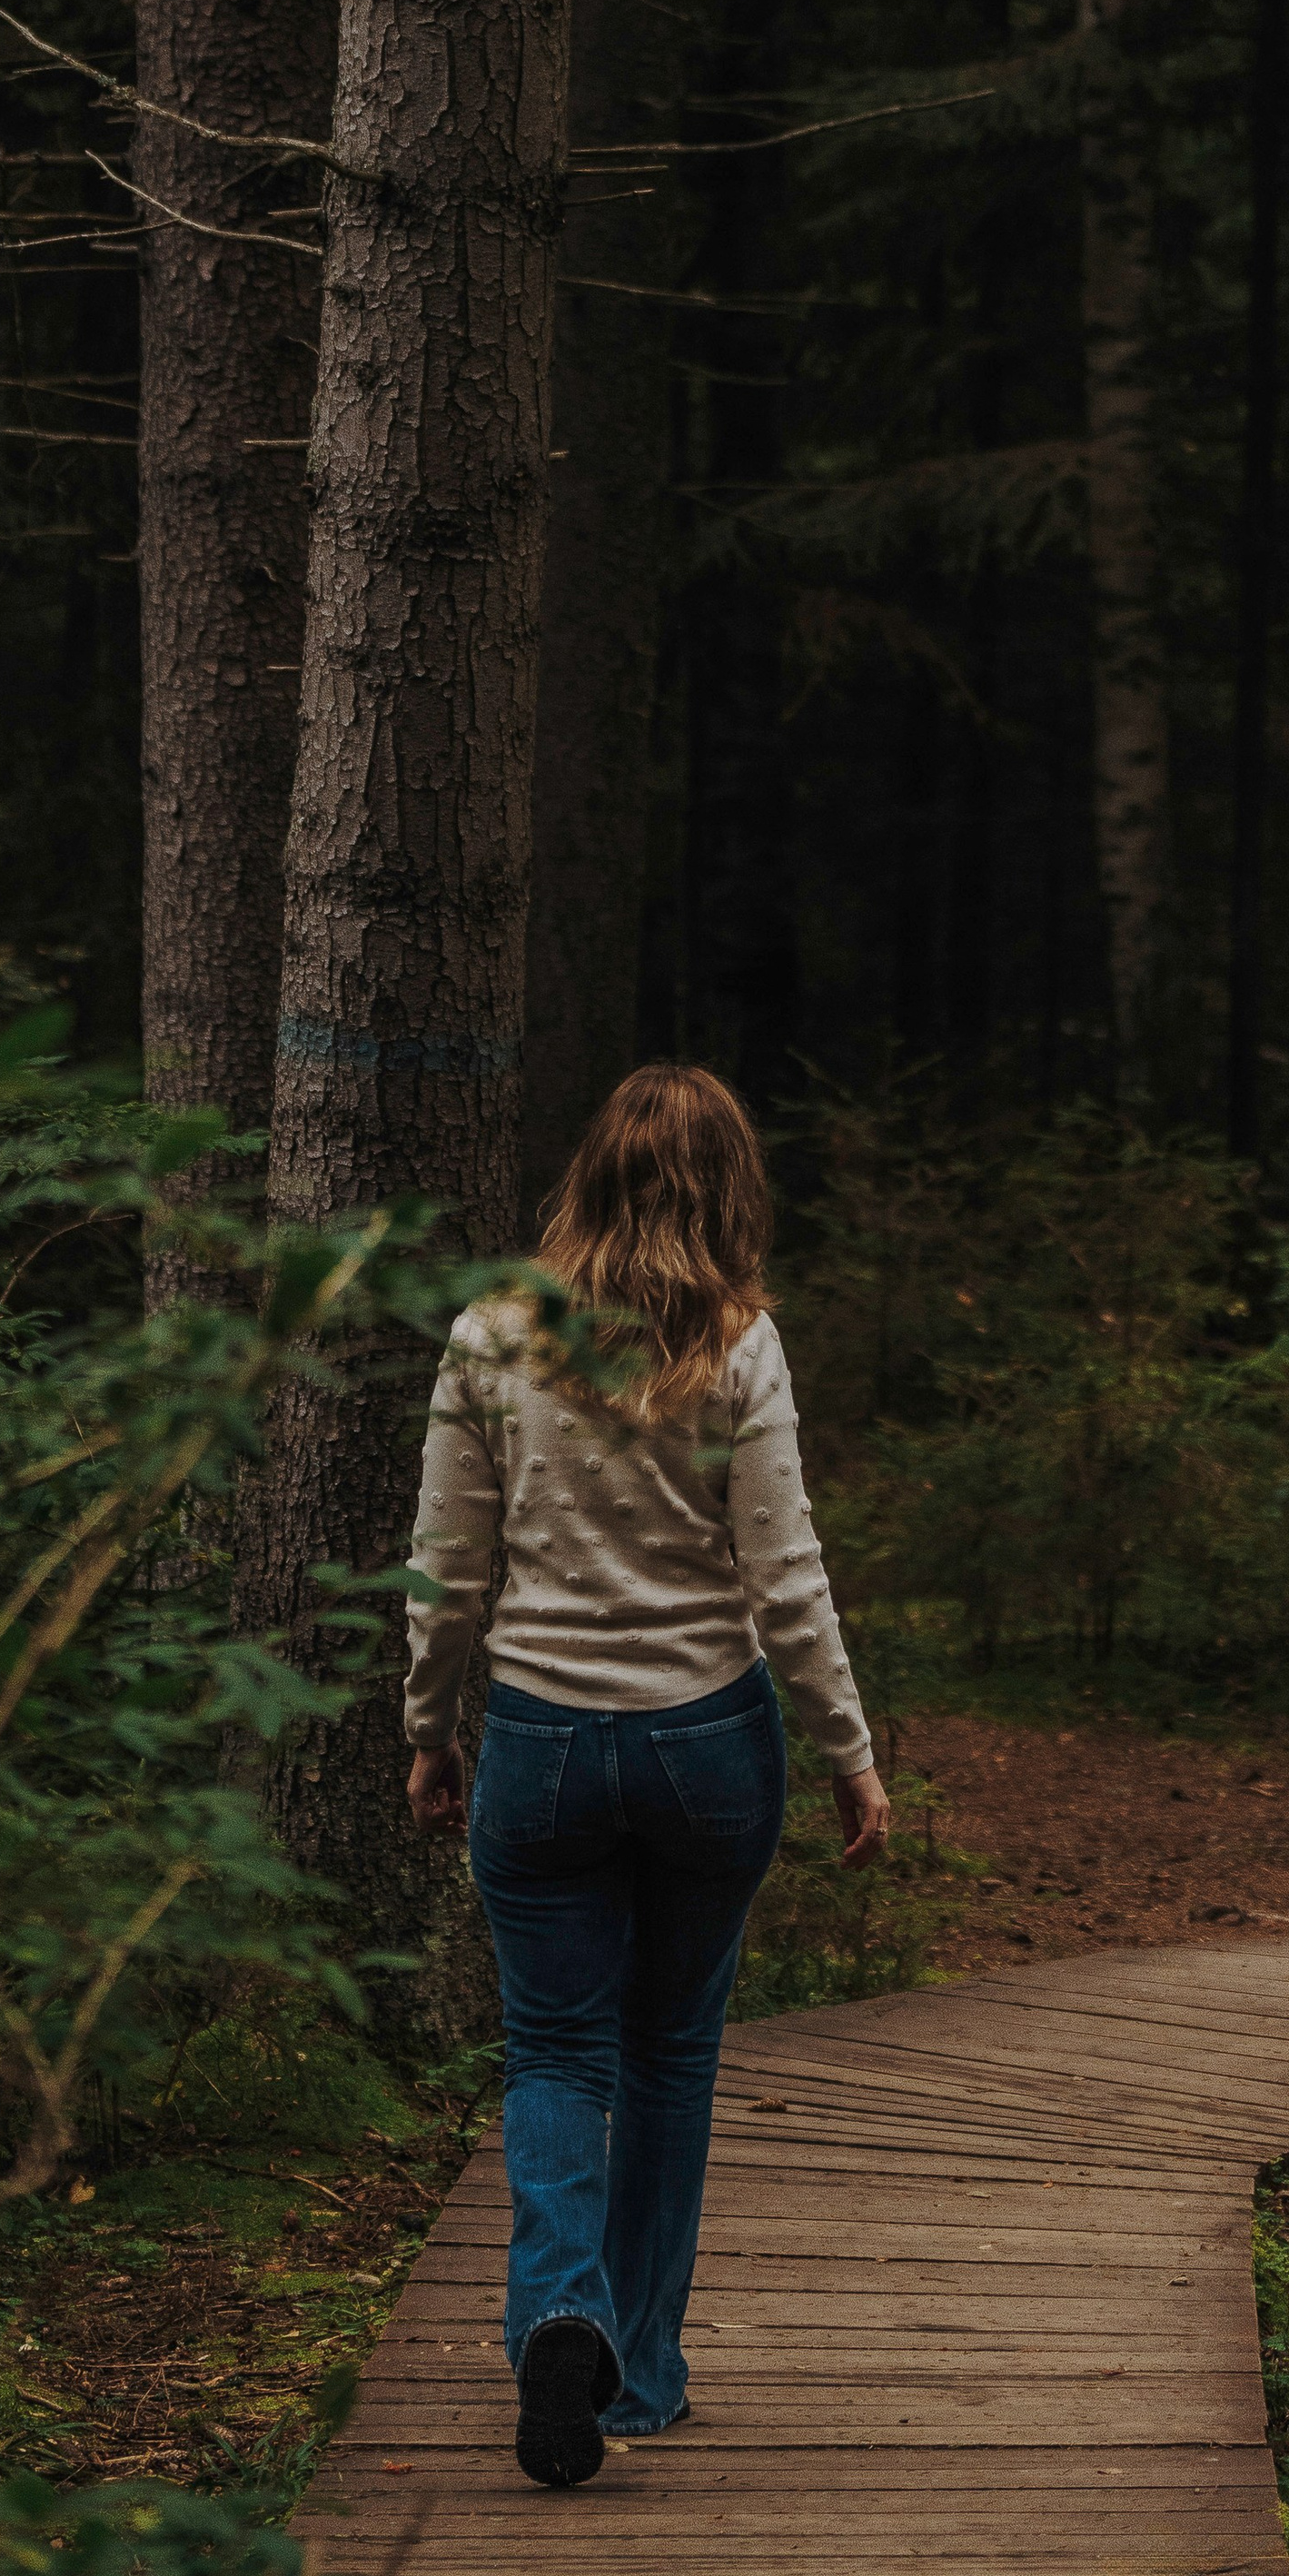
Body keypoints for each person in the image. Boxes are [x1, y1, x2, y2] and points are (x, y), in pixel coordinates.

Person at [401, 1062, 891, 2488]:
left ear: (590, 1180)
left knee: (556, 2049)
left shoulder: (492, 1332)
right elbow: (784, 1578)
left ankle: (560, 2310)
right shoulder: (742, 1343)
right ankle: (642, 2375)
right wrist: (849, 1754)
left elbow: (445, 1570)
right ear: (728, 1189)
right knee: (671, 2056)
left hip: (542, 1738)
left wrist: (431, 1727)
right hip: (706, 1742)